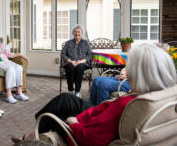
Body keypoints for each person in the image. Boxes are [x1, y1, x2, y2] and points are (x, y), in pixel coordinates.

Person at [12, 43, 176, 146]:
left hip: (83, 134)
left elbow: (90, 138)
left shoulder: (125, 104)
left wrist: (73, 122)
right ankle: (30, 134)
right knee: (65, 99)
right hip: (99, 117)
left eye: (130, 70)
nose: (129, 75)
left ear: (140, 75)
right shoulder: (162, 94)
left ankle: (29, 138)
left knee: (51, 115)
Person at [60, 25, 92, 98]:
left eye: (79, 32)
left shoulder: (85, 43)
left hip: (82, 63)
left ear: (82, 33)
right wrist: (70, 61)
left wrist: (81, 61)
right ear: (73, 33)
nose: (77, 33)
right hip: (69, 62)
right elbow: (63, 54)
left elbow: (90, 55)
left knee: (79, 67)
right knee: (70, 67)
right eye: (75, 32)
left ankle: (77, 91)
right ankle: (70, 90)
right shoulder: (68, 43)